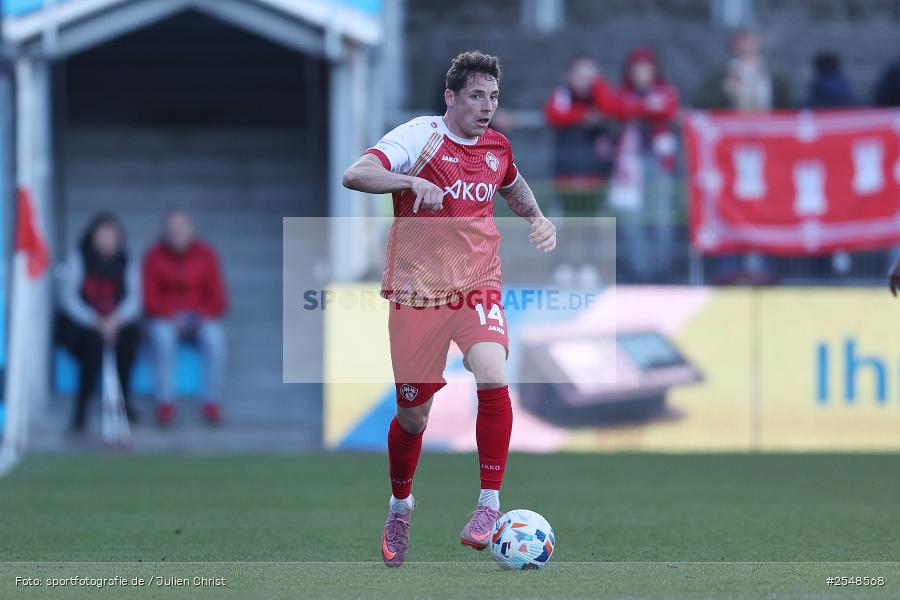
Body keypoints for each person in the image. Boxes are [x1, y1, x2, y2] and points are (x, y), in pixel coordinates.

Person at [342, 50, 556, 567]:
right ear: (451, 98)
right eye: (477, 96)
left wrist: (538, 217)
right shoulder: (419, 137)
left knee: (492, 371)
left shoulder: (496, 146)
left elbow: (510, 182)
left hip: (477, 287)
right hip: (418, 292)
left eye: (494, 97)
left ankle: (488, 504)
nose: (487, 106)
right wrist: (409, 182)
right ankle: (400, 505)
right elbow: (356, 174)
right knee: (413, 416)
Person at [695, 28, 789, 284]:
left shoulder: (772, 74)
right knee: (730, 206)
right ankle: (730, 266)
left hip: (767, 153)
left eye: (750, 38)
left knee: (764, 207)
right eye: (741, 39)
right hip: (730, 155)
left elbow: (787, 106)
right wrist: (725, 92)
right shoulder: (722, 74)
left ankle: (764, 265)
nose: (746, 44)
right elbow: (701, 102)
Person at [56, 213, 141, 432]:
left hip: (116, 324)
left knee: (128, 344)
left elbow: (135, 300)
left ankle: (123, 404)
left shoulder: (126, 261)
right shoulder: (78, 258)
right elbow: (68, 299)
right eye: (101, 235)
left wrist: (115, 321)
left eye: (112, 236)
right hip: (84, 327)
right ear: (92, 237)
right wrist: (94, 321)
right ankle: (81, 410)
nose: (106, 240)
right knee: (93, 346)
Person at [142, 209, 228, 426]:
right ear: (165, 232)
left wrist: (203, 315)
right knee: (162, 336)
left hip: (200, 317)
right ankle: (165, 403)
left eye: (181, 228)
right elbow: (149, 299)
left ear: (191, 229)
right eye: (172, 229)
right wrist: (170, 315)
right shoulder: (153, 256)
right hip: (168, 317)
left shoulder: (207, 254)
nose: (177, 233)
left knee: (216, 337)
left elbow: (219, 298)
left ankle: (211, 401)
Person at [601, 47, 679, 282]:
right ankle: (640, 270)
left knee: (661, 215)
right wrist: (645, 106)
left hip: (658, 161)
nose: (642, 74)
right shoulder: (623, 94)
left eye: (646, 69)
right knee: (632, 219)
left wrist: (637, 107)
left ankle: (661, 268)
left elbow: (667, 107)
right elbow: (615, 108)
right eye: (637, 69)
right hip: (629, 164)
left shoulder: (666, 91)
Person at [544, 54, 616, 216]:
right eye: (580, 75)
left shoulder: (599, 94)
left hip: (596, 172)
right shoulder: (564, 94)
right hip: (567, 170)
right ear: (569, 76)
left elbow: (611, 109)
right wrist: (583, 116)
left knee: (594, 216)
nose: (585, 80)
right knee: (568, 215)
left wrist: (599, 85)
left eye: (590, 76)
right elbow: (554, 114)